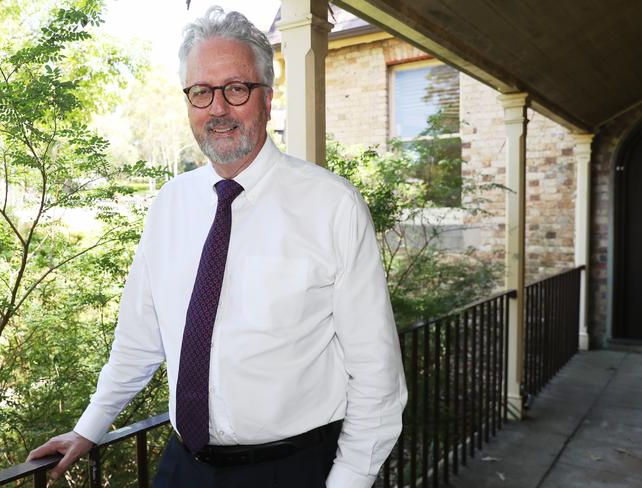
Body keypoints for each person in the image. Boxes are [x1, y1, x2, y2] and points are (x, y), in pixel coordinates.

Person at [28, 6, 406, 487]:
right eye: (201, 92)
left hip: (292, 471)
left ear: (267, 98)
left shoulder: (332, 206)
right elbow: (137, 342)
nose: (218, 108)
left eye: (236, 88)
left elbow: (377, 376)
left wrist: (349, 479)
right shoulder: (170, 205)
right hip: (184, 468)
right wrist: (89, 427)